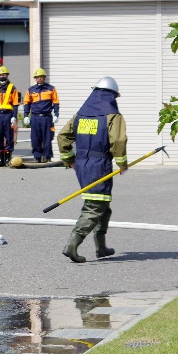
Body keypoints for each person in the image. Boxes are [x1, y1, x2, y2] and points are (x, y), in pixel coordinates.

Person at [57, 76, 128, 263]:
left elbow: (63, 136)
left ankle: (101, 246)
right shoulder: (113, 116)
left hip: (82, 164)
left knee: (103, 204)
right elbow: (118, 140)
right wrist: (122, 164)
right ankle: (72, 245)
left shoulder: (80, 115)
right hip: (100, 165)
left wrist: (69, 159)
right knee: (95, 205)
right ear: (112, 96)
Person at [23, 68, 60, 163]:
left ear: (44, 77)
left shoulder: (51, 89)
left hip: (47, 117)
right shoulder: (31, 90)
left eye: (41, 77)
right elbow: (26, 103)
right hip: (35, 117)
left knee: (47, 137)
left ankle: (47, 157)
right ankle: (37, 157)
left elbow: (56, 102)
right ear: (35, 78)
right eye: (37, 77)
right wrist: (26, 115)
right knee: (35, 138)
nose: (39, 78)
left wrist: (56, 114)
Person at [0, 65, 20, 167]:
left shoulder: (12, 88)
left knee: (9, 137)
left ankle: (7, 159)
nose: (2, 76)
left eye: (4, 74)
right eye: (0, 75)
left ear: (7, 75)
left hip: (8, 115)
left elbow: (15, 104)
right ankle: (1, 159)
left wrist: (14, 116)